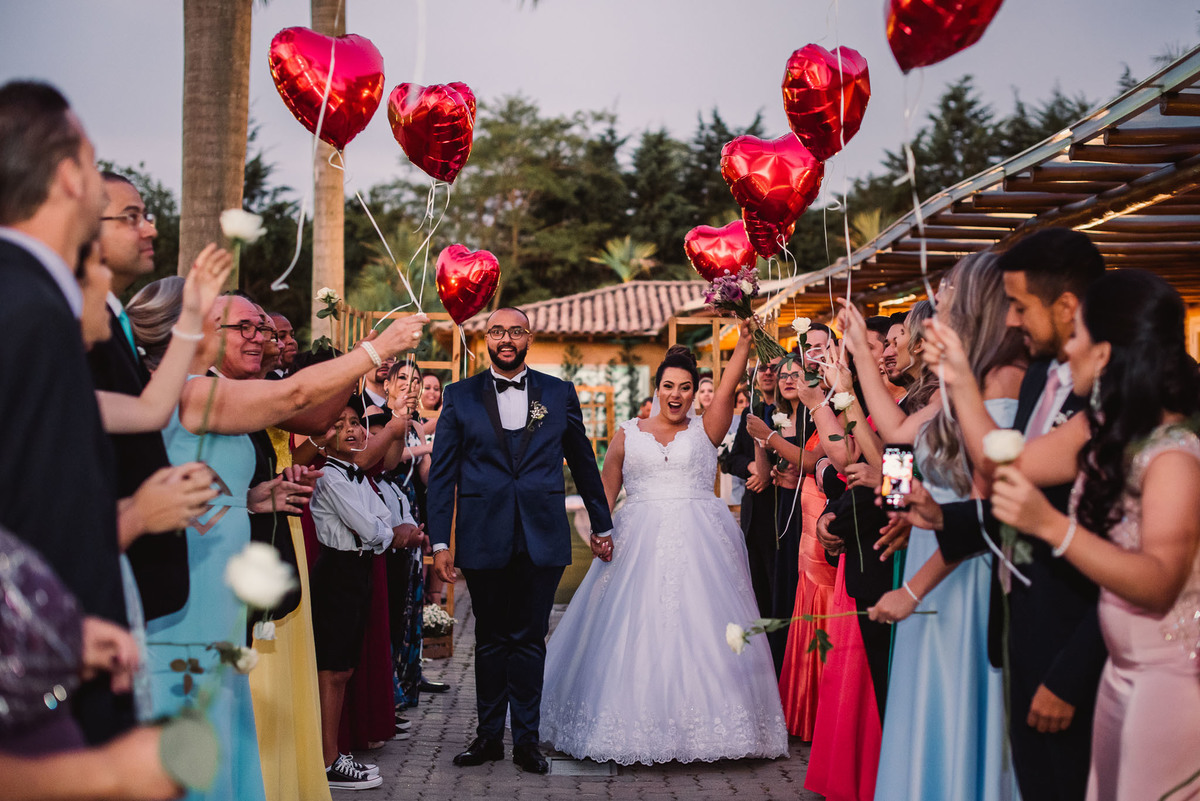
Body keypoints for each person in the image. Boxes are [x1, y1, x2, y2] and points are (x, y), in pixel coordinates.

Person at [136, 287, 426, 800]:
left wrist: (250, 499)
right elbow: (294, 397)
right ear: (192, 330)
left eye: (260, 328)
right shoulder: (190, 391)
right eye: (242, 327)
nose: (259, 337)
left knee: (224, 711)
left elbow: (201, 479)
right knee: (198, 710)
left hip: (225, 577)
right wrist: (376, 351)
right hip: (197, 579)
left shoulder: (201, 390)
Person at [988, 270, 1200, 801]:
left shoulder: (1173, 455)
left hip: (1169, 684)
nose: (1068, 349)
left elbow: (1158, 584)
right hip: (1119, 673)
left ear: (1104, 353)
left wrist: (1051, 527)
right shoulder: (1107, 426)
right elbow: (1004, 463)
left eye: (1077, 335)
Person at [540, 325, 788, 765]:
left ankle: (713, 730)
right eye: (669, 386)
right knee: (633, 630)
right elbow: (605, 492)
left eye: (686, 388)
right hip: (638, 542)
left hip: (701, 546)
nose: (677, 395)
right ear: (657, 388)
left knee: (704, 630)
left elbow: (729, 381)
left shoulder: (707, 429)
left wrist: (745, 342)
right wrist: (601, 533)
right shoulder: (627, 433)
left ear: (696, 394)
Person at [921, 228, 1109, 801]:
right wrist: (944, 521)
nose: (1013, 321)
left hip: (1077, 646)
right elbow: (1013, 488)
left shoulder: (1107, 401)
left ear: (1068, 307)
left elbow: (1119, 559)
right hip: (1024, 633)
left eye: (1021, 306)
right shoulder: (1042, 382)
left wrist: (1069, 674)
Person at [854, 254, 1024, 801]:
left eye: (897, 336)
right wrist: (846, 376)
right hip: (923, 536)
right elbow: (905, 455)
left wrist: (886, 487)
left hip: (962, 561)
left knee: (956, 700)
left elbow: (899, 445)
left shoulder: (949, 389)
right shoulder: (946, 387)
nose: (898, 341)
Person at [0, 80, 132, 744]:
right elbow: (48, 514)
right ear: (66, 178)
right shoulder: (35, 318)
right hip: (47, 703)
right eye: (93, 161)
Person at [427, 307, 613, 775]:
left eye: (514, 331)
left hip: (541, 534)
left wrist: (602, 523)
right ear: (485, 338)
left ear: (529, 337)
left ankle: (527, 742)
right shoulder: (459, 396)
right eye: (496, 332)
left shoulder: (557, 392)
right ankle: (488, 737)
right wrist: (439, 543)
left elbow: (584, 462)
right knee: (489, 640)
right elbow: (443, 474)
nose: (505, 339)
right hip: (482, 534)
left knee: (530, 640)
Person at [309, 405, 421, 789]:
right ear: (323, 436)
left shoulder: (357, 475)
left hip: (358, 570)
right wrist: (394, 534)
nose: (352, 431)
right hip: (337, 570)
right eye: (338, 425)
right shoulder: (329, 476)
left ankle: (332, 754)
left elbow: (380, 518)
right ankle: (327, 758)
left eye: (355, 423)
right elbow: (371, 528)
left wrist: (388, 530)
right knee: (333, 667)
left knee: (345, 668)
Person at [724, 355, 783, 620]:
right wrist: (752, 469)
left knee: (778, 586)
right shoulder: (752, 410)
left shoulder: (792, 410)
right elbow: (731, 459)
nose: (768, 373)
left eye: (774, 368)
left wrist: (769, 473)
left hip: (781, 509)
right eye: (762, 369)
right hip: (755, 511)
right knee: (755, 586)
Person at [268, 312, 298, 378]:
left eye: (292, 336)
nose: (291, 341)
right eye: (282, 336)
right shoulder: (260, 379)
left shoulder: (302, 374)